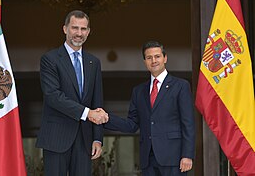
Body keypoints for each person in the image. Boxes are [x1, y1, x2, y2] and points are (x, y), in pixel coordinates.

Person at [104, 41, 195, 176]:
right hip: (148, 159)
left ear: (165, 58)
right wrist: (107, 118)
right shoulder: (138, 91)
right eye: (149, 57)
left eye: (157, 56)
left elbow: (188, 123)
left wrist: (187, 155)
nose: (154, 61)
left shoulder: (181, 86)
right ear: (145, 61)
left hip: (173, 158)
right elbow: (132, 125)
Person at [36, 10, 108, 176]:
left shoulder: (93, 62)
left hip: (84, 140)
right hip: (56, 138)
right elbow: (53, 96)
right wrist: (87, 113)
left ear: (88, 32)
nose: (79, 33)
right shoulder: (50, 59)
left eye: (83, 29)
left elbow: (97, 101)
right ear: (65, 29)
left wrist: (97, 138)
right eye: (74, 28)